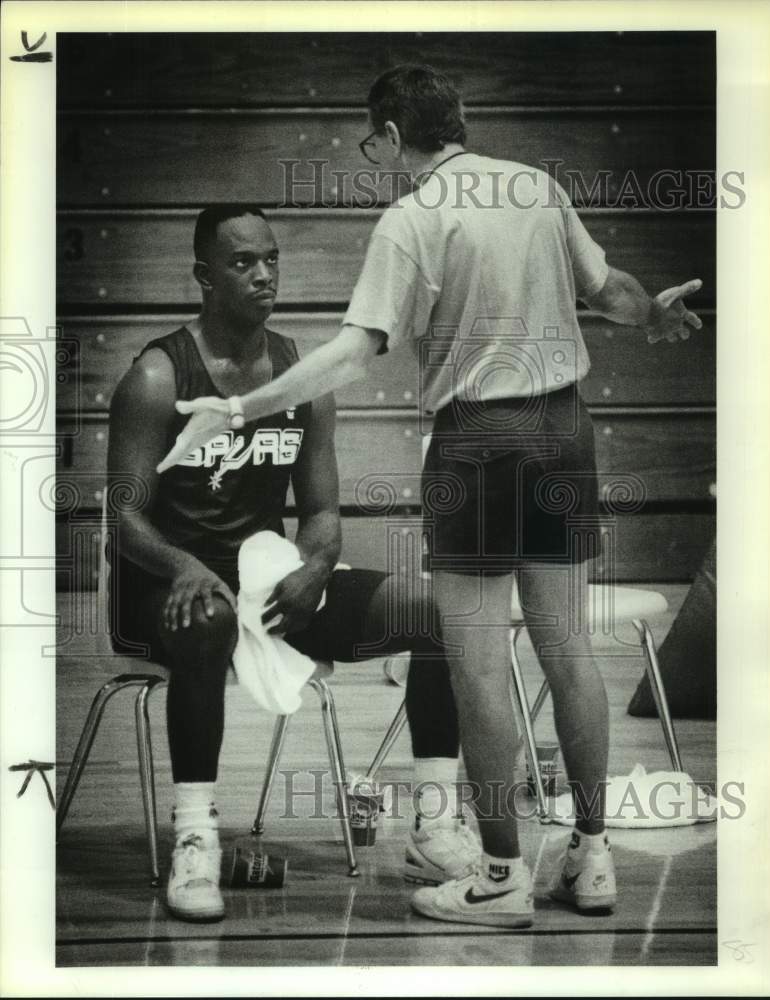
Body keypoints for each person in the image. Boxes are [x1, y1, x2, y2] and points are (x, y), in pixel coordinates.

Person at [158, 66, 703, 929]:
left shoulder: (412, 218)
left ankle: (501, 878)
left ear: (387, 135)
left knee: (479, 666)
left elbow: (351, 353)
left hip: (479, 442)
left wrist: (237, 407)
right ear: (460, 118)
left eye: (371, 141)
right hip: (565, 428)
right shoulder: (535, 187)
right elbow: (611, 292)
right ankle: (592, 860)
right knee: (569, 651)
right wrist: (652, 316)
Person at [106, 203, 481, 923]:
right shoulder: (156, 376)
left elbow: (320, 513)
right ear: (204, 277)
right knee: (208, 620)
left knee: (436, 613)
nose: (263, 274)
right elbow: (122, 516)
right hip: (166, 588)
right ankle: (195, 837)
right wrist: (182, 566)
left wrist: (315, 565)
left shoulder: (298, 378)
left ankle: (434, 828)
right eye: (242, 262)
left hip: (266, 582)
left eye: (271, 259)